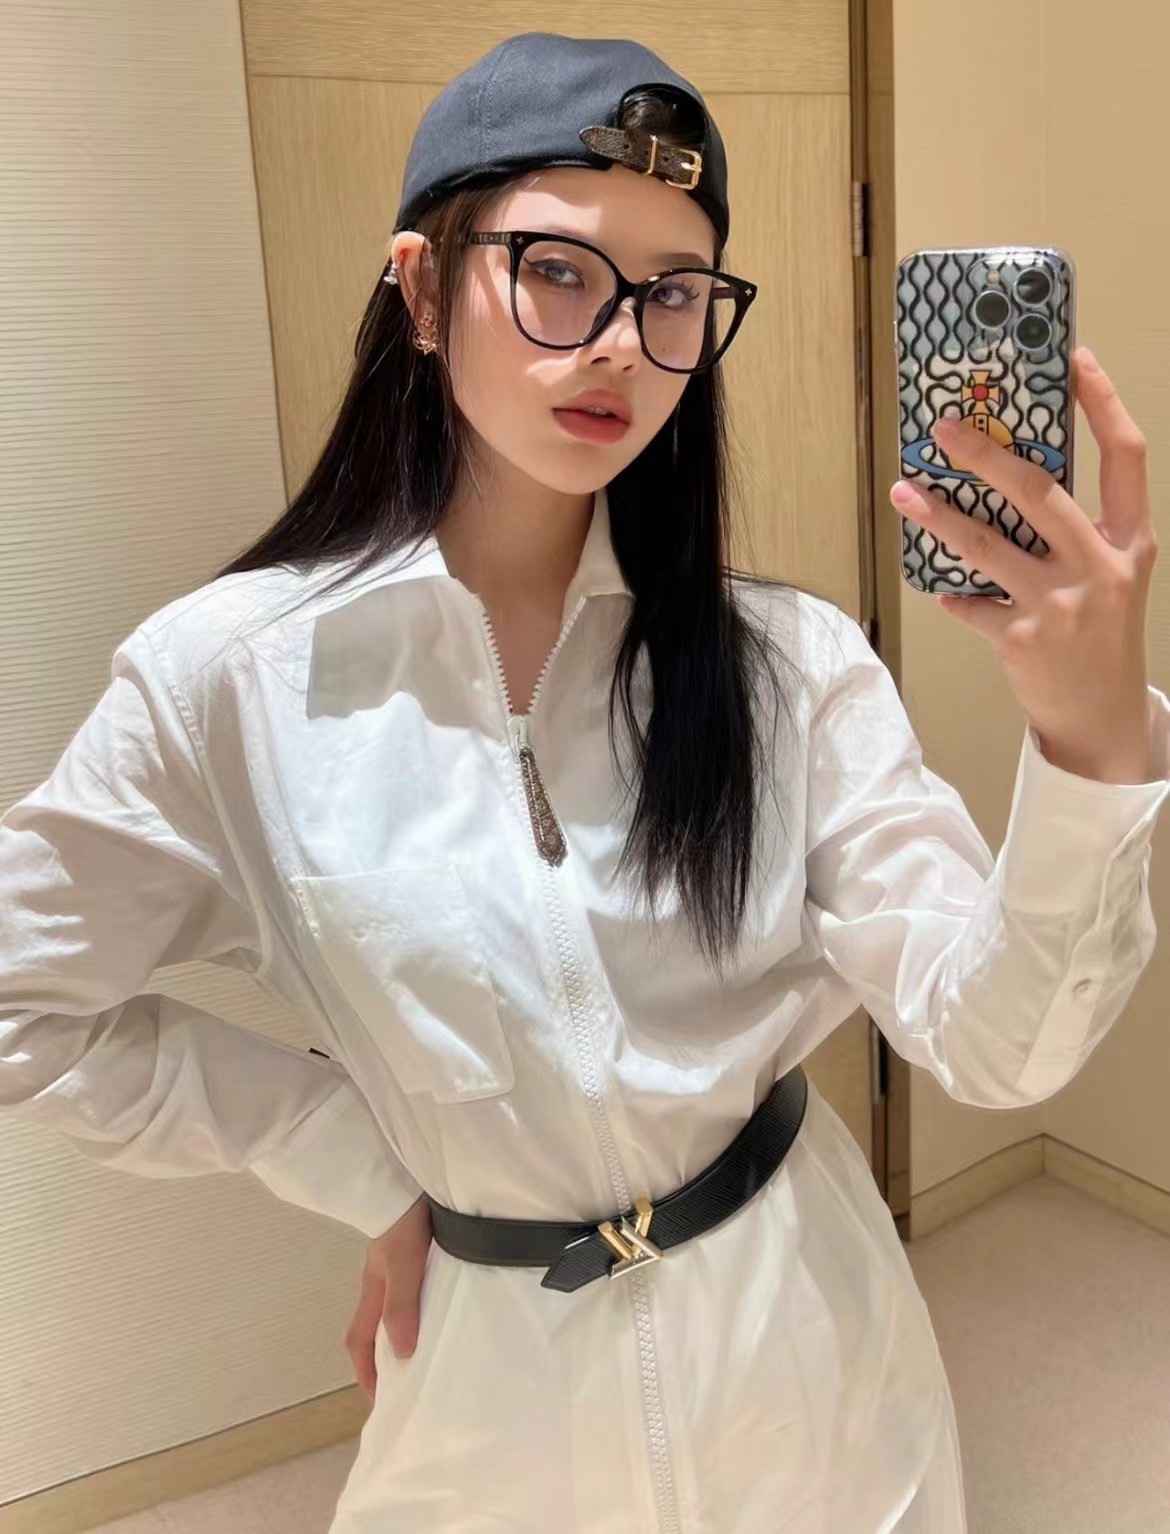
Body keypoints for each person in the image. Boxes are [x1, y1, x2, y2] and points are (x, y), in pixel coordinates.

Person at [1, 30, 1166, 1534]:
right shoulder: (228, 680)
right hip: (491, 1398)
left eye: (674, 292)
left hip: (811, 1357)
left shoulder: (789, 666)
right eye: (557, 271)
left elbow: (1000, 1044)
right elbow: (25, 1003)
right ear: (423, 291)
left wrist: (1088, 743)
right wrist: (356, 1160)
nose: (619, 340)